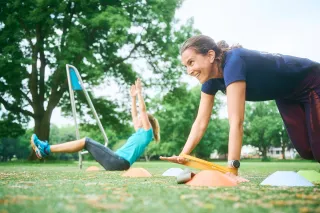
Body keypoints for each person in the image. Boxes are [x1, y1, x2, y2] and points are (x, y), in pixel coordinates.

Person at [160, 35, 320, 174]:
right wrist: (183, 155)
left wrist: (232, 168)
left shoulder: (234, 61)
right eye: (186, 66)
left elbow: (236, 121)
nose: (189, 71)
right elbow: (200, 122)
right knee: (306, 151)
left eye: (191, 62)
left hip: (312, 81)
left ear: (210, 55)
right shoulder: (210, 80)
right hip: (286, 95)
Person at [30, 78, 160, 170]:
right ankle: (46, 149)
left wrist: (140, 94)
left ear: (145, 121)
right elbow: (134, 113)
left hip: (118, 161)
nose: (135, 119)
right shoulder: (140, 132)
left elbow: (142, 110)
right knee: (85, 142)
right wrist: (132, 98)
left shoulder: (147, 132)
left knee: (86, 141)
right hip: (117, 161)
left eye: (139, 118)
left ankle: (46, 149)